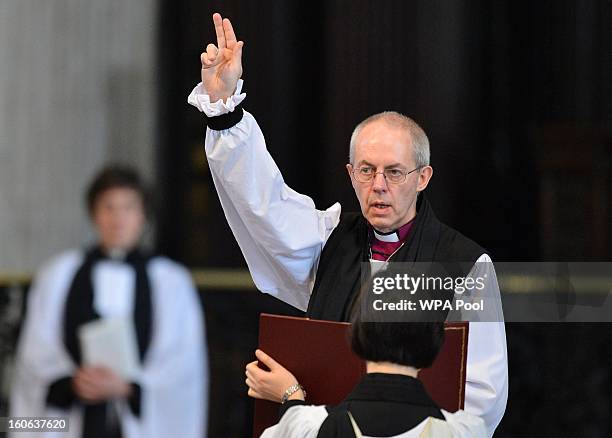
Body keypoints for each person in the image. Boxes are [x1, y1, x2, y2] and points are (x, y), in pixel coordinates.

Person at [188, 13, 507, 435]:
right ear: (349, 173)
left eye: (394, 172)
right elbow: (266, 206)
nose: (378, 186)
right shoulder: (330, 241)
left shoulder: (465, 265)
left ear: (423, 178)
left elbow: (481, 399)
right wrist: (225, 113)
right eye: (366, 170)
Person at [9, 165, 208, 438]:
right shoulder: (58, 275)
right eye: (109, 208)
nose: (118, 219)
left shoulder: (171, 282)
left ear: (143, 216)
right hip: (74, 416)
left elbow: (182, 364)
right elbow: (35, 353)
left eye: (128, 208)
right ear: (93, 214)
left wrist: (129, 387)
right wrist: (74, 382)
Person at [247, 304, 487, 437]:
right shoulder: (465, 432)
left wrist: (292, 396)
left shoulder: (309, 426)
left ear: (357, 338)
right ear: (434, 346)